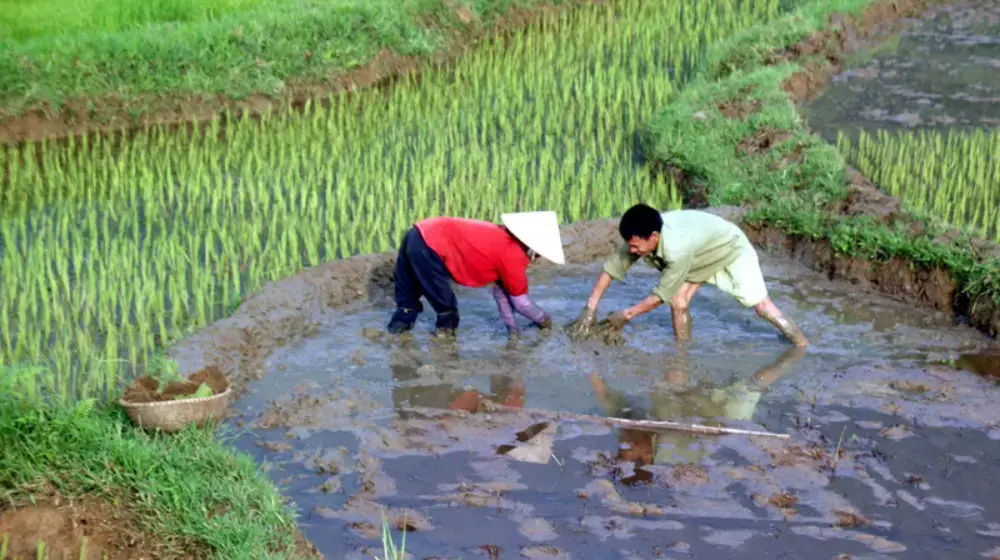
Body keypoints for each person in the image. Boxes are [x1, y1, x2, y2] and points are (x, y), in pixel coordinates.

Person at [568, 204, 809, 347]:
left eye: (635, 247)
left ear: (653, 237)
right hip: (700, 251)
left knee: (762, 307)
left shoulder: (676, 250)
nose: (632, 251)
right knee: (679, 302)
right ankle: (682, 353)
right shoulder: (636, 238)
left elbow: (660, 294)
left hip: (730, 247)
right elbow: (611, 269)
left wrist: (625, 315)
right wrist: (590, 309)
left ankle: (801, 345)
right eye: (629, 245)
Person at [590, 345, 806, 485]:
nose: (625, 443)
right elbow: (711, 424)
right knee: (757, 381)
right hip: (722, 419)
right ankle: (799, 350)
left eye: (622, 448)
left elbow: (607, 398)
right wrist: (695, 390)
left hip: (694, 403)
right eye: (628, 449)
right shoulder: (671, 442)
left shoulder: (637, 435)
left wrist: (590, 362)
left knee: (672, 381)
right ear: (647, 456)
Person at [387, 210, 566, 338]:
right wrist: (544, 319)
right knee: (446, 307)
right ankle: (444, 347)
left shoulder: (500, 233)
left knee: (407, 301)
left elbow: (500, 294)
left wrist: (512, 330)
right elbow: (521, 303)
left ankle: (395, 338)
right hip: (431, 245)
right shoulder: (512, 256)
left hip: (416, 233)